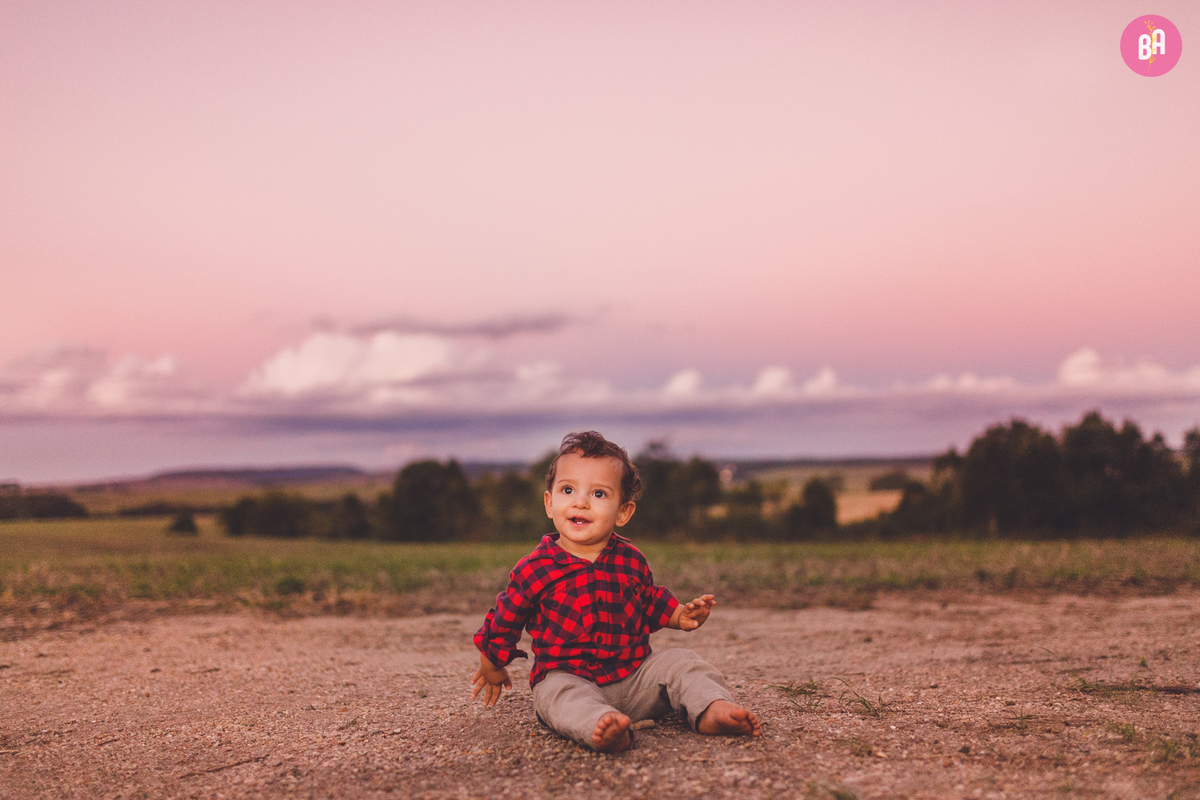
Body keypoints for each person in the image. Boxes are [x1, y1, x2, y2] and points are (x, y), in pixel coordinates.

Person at [471, 431, 760, 752]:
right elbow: (506, 618)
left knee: (682, 663)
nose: (580, 501)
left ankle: (711, 708)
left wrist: (680, 614)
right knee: (559, 697)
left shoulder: (631, 560)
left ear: (623, 512)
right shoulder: (534, 568)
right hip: (567, 676)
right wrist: (491, 663)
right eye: (568, 490)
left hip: (634, 678)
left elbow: (649, 601)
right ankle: (602, 726)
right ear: (550, 503)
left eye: (598, 494)